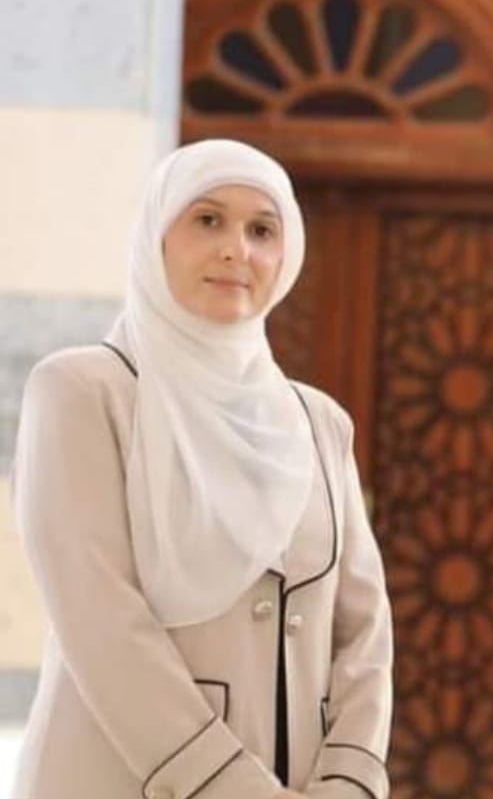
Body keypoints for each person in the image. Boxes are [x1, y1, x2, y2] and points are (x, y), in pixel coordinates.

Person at [12, 139, 392, 799]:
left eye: (262, 230)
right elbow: (100, 619)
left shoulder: (317, 422)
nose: (236, 250)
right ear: (155, 239)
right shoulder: (82, 392)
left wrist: (351, 779)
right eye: (208, 220)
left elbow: (364, 628)